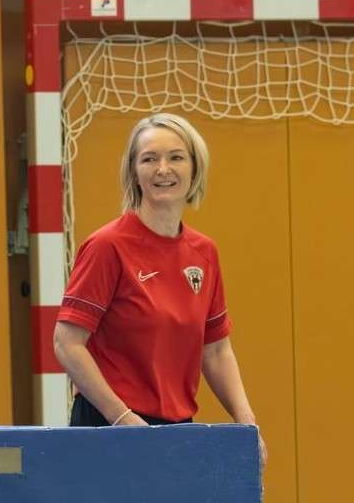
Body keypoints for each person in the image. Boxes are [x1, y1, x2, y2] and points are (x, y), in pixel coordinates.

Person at [53, 113, 267, 463]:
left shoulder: (204, 253)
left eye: (176, 157)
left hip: (176, 431)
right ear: (134, 172)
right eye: (149, 159)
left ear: (195, 168)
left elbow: (215, 349)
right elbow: (67, 343)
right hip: (111, 427)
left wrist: (247, 424)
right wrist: (123, 420)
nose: (163, 169)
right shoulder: (107, 246)